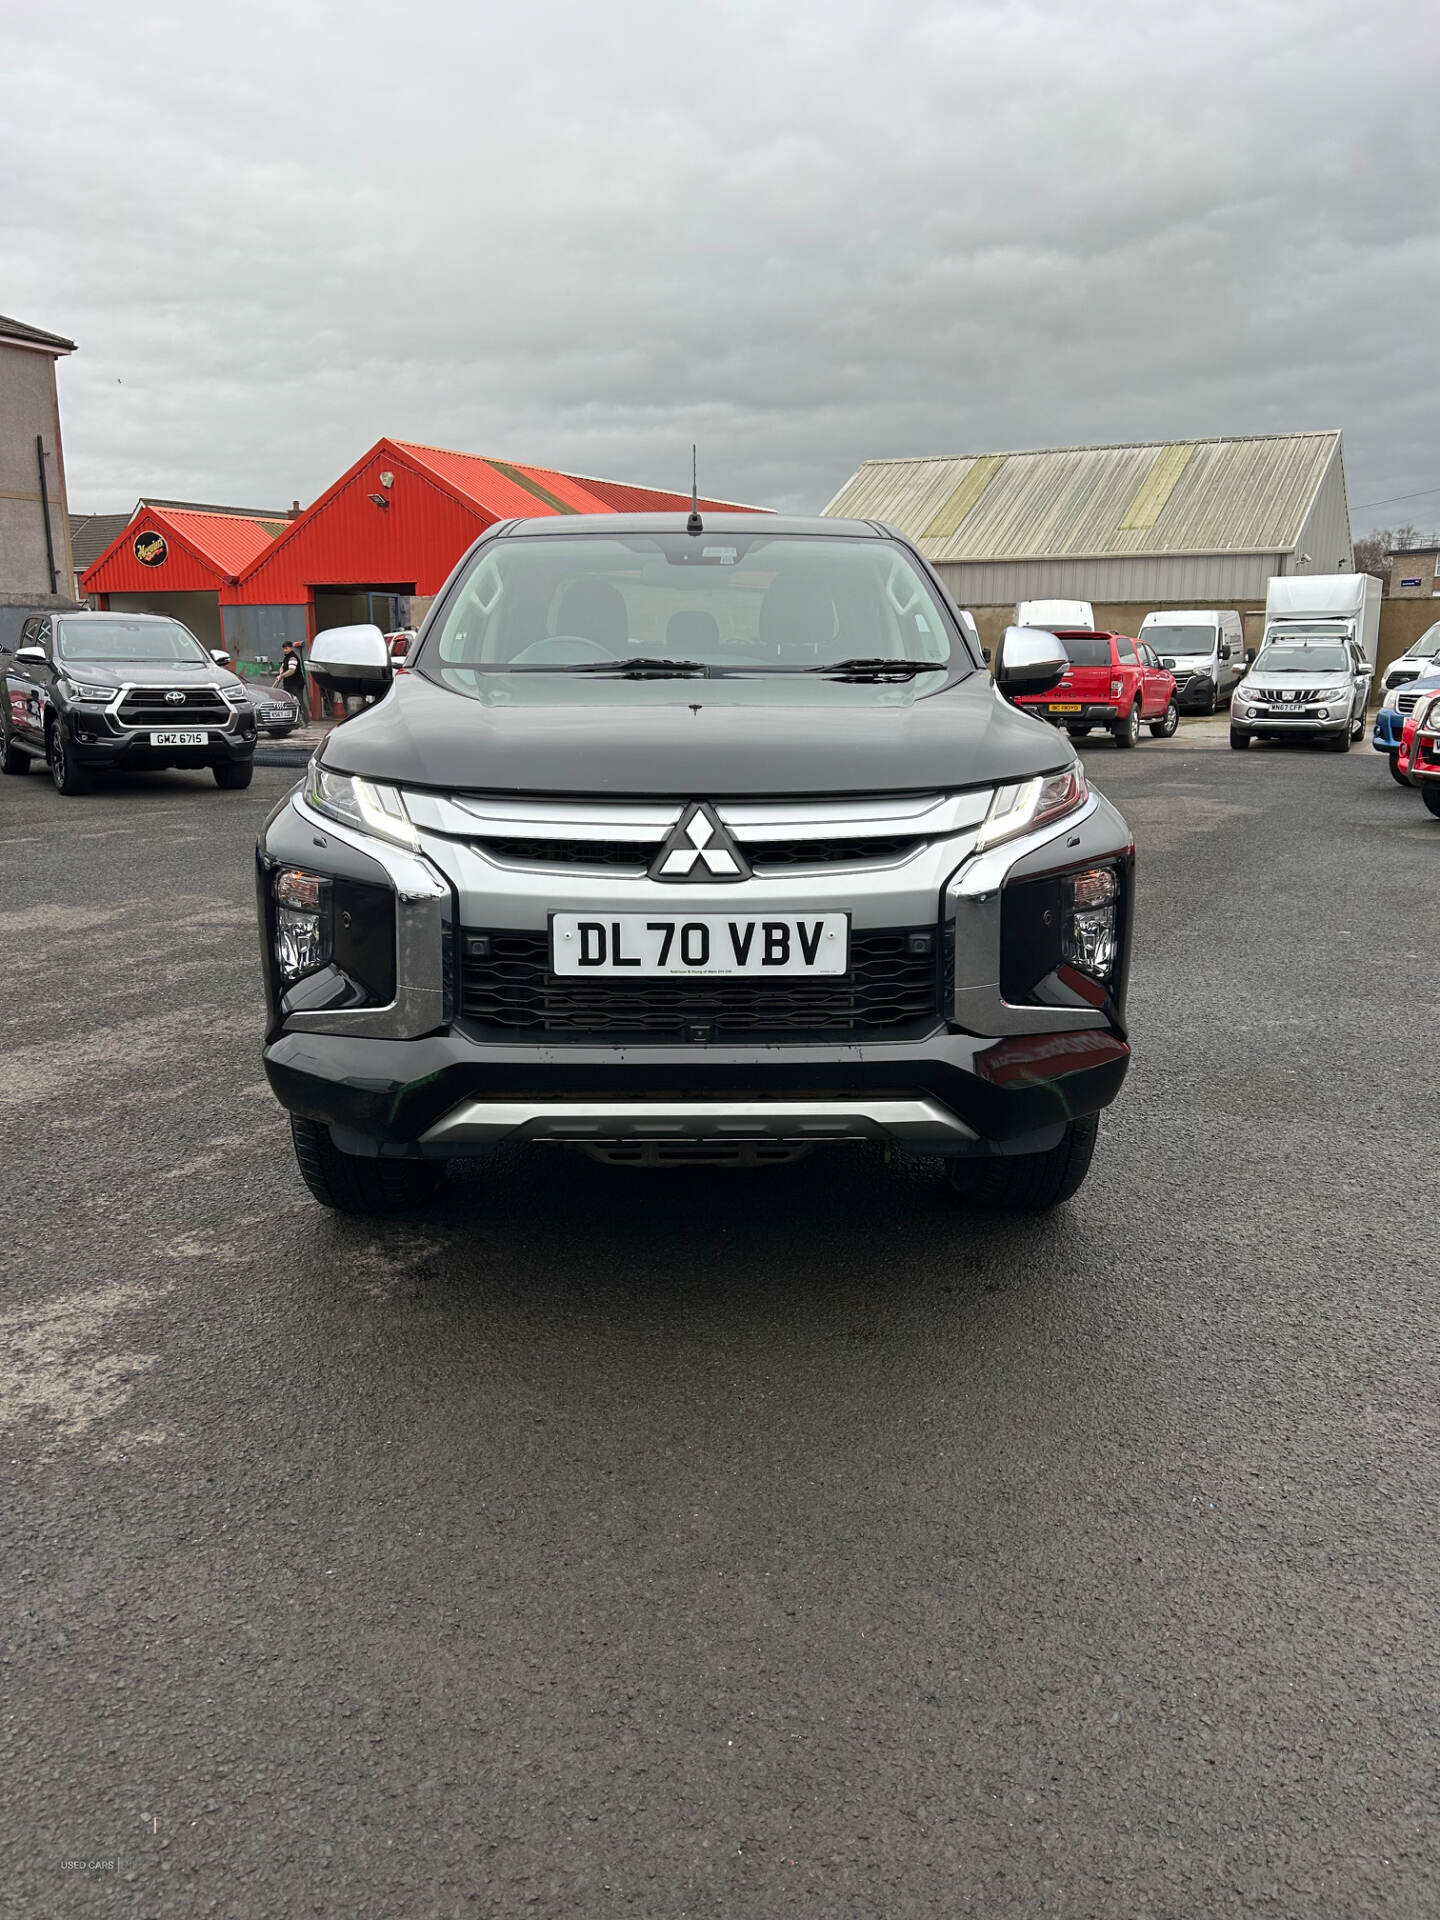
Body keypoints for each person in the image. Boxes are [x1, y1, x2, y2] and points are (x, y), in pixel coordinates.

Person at [274, 642, 307, 717]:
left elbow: (291, 671)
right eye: (284, 649)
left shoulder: (293, 657)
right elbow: (282, 666)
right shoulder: (286, 657)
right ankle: (292, 719)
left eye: (286, 648)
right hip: (289, 684)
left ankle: (305, 721)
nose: (285, 650)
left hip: (296, 684)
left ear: (291, 648)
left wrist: (281, 676)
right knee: (289, 702)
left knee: (299, 702)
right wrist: (280, 672)